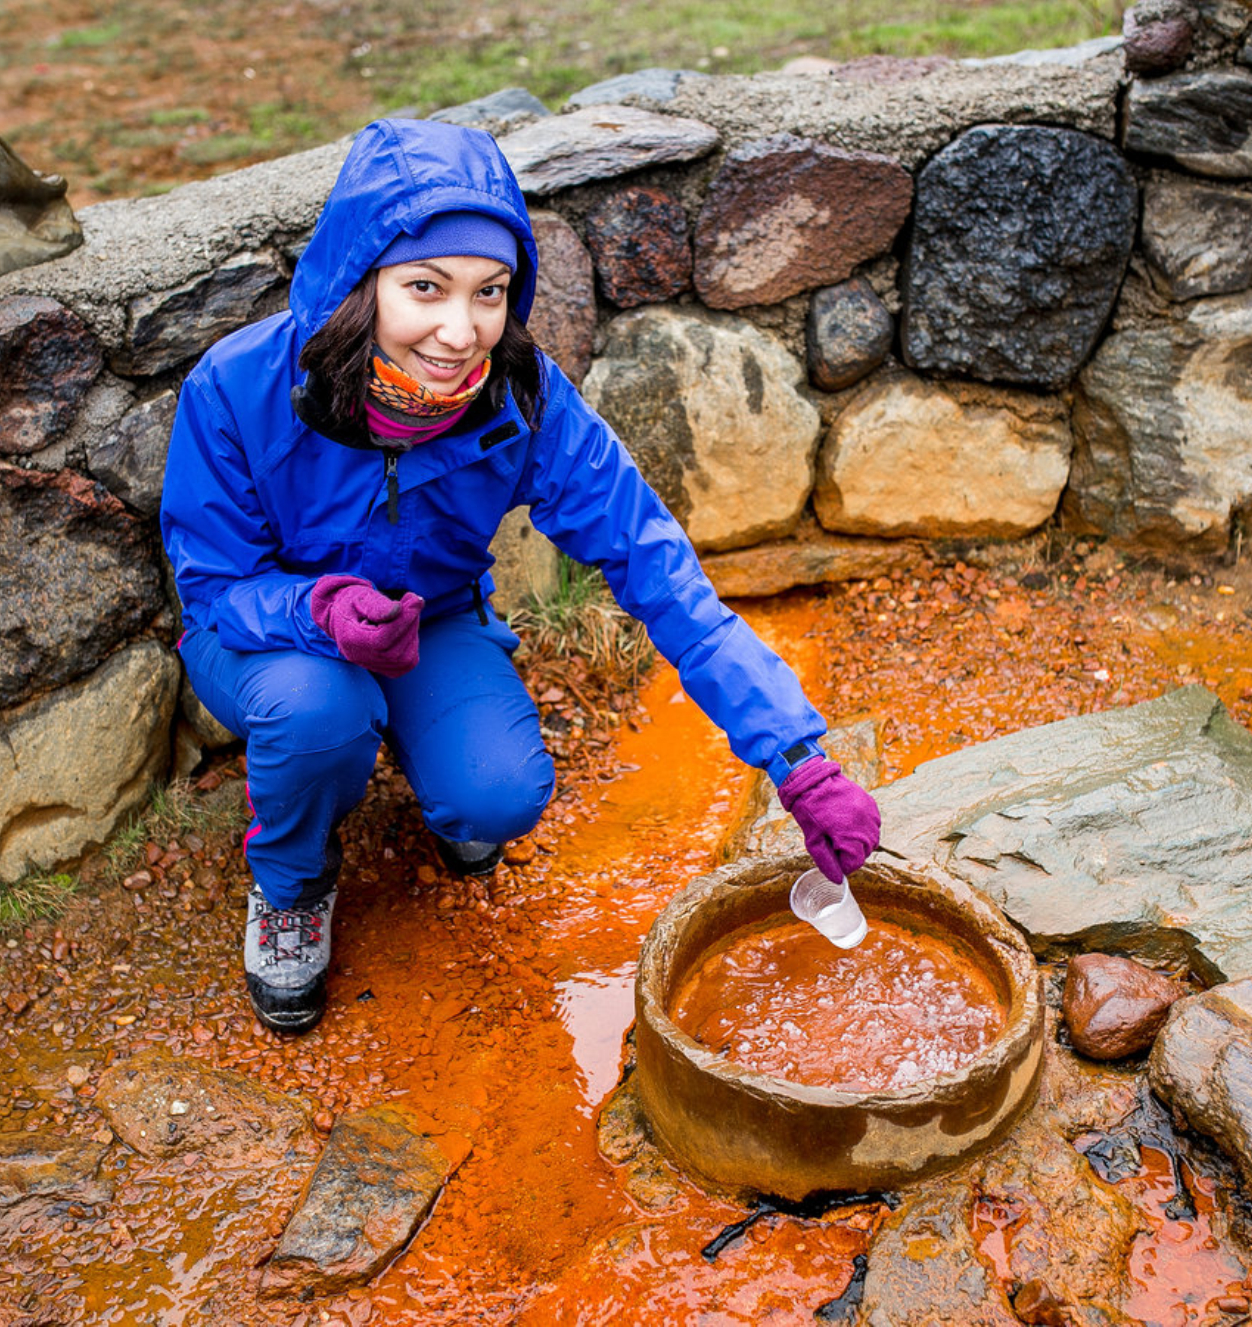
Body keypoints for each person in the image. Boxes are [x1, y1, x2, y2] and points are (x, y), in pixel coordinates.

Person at [160, 118, 881, 1034]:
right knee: (319, 713)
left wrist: (798, 757)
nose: (460, 332)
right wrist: (318, 608)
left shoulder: (524, 396)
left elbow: (657, 569)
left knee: (499, 794)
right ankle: (293, 886)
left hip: (430, 619)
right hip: (264, 635)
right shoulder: (236, 387)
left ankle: (439, 775)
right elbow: (214, 587)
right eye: (425, 287)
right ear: (360, 278)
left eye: (489, 292)